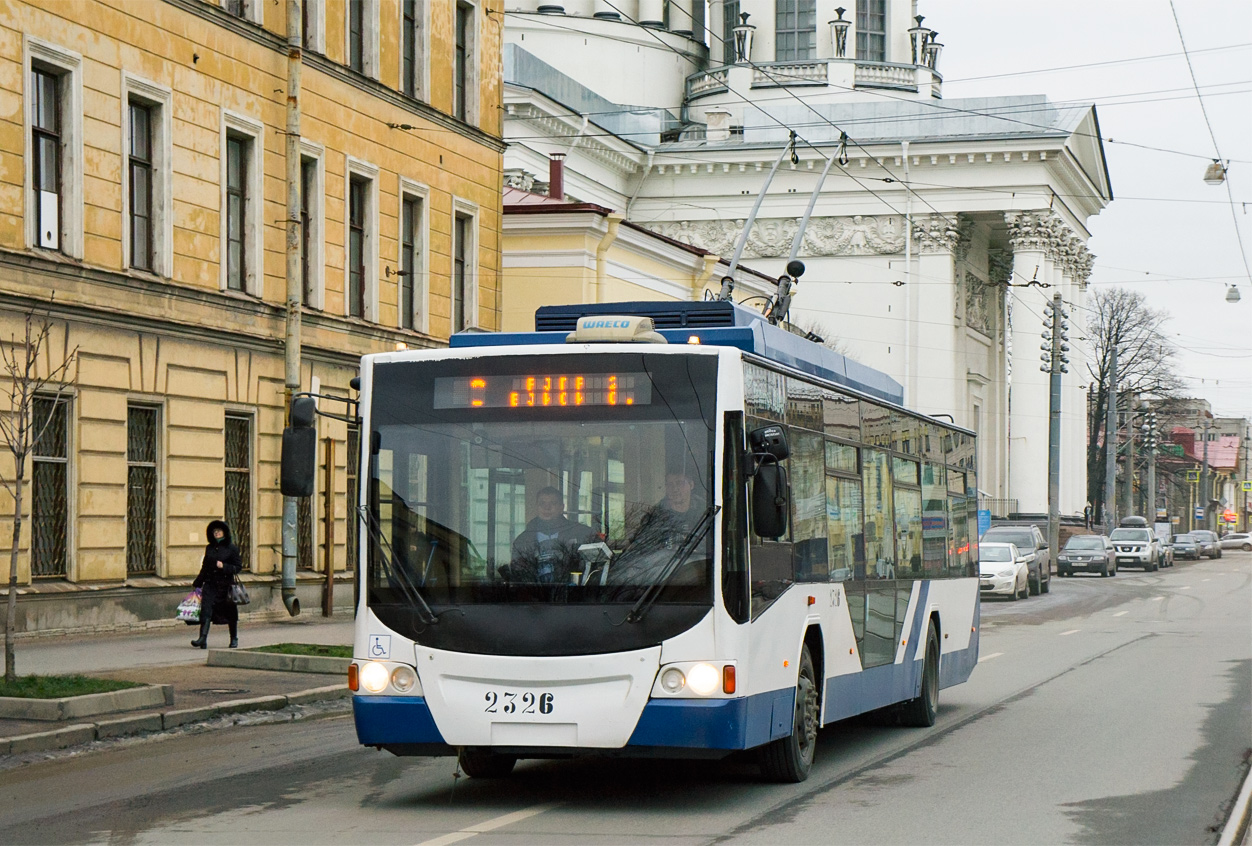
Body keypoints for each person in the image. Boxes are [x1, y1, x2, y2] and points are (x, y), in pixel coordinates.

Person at [510, 487, 595, 582]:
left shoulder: (582, 534)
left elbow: (594, 567)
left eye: (553, 503)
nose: (547, 508)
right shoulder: (522, 541)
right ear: (536, 507)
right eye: (542, 503)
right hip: (534, 594)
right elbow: (517, 574)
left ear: (561, 508)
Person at [191, 519, 243, 649]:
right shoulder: (209, 548)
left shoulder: (232, 548)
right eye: (214, 531)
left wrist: (224, 566)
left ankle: (234, 638)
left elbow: (237, 567)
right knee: (206, 611)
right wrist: (198, 582)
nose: (216, 533)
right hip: (211, 584)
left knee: (231, 613)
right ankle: (202, 638)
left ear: (224, 532)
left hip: (226, 586)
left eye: (219, 531)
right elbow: (205, 567)